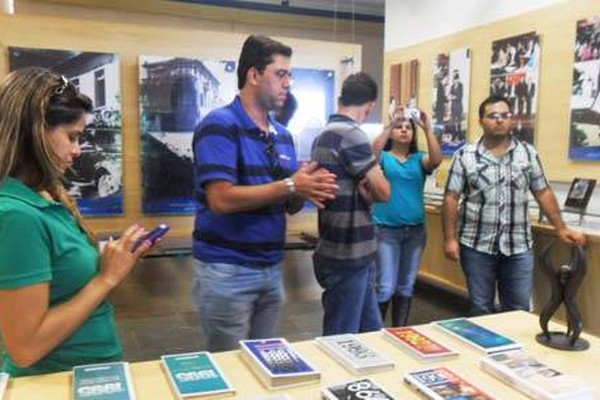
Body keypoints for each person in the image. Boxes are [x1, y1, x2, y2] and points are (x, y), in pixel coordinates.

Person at [0, 67, 152, 376]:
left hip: (85, 375)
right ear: (36, 132)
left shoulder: (44, 196)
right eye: (72, 136)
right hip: (54, 380)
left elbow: (61, 273)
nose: (77, 150)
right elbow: (25, 348)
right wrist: (106, 279)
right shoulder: (16, 216)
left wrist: (115, 257)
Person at [192, 35, 338, 351]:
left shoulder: (284, 136)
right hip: (227, 270)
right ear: (254, 75)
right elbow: (220, 199)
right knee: (228, 366)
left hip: (271, 268)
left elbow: (288, 205)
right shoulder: (219, 125)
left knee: (263, 362)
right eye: (281, 74)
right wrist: (290, 185)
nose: (288, 83)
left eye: (290, 75)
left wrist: (305, 187)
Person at [442, 95, 586, 316]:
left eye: (505, 115)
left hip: (518, 246)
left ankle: (514, 352)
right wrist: (450, 239)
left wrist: (561, 228)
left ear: (512, 121)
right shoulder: (465, 156)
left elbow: (543, 192)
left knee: (518, 310)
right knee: (481, 308)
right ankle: (486, 351)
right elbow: (451, 198)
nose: (499, 120)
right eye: (493, 116)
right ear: (481, 121)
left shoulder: (527, 153)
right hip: (476, 245)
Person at [311, 72, 391, 335]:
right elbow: (383, 192)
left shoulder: (324, 134)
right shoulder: (351, 135)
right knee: (341, 337)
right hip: (348, 253)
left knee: (371, 332)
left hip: (345, 249)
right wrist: (373, 182)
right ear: (370, 105)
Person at [370, 107, 442, 326]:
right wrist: (388, 126)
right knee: (385, 286)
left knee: (406, 286)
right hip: (385, 231)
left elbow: (437, 160)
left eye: (408, 127)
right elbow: (370, 155)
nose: (403, 130)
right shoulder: (384, 158)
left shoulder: (419, 160)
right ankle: (376, 333)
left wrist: (427, 128)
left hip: (415, 232)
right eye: (399, 127)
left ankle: (399, 332)